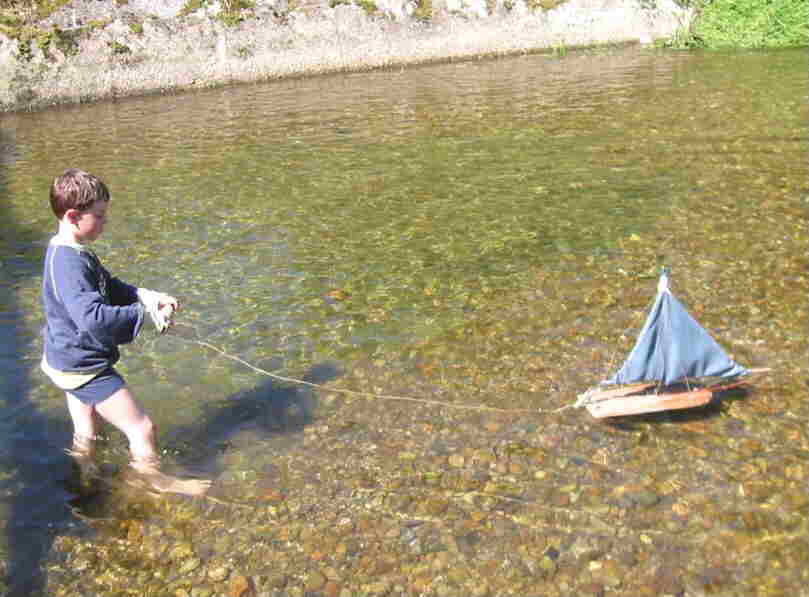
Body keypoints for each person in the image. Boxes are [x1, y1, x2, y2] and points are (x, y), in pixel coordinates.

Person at [41, 168, 210, 496]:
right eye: (99, 216)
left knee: (88, 429)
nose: (105, 222)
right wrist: (146, 318)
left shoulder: (70, 249)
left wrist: (147, 297)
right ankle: (155, 483)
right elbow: (94, 319)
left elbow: (108, 285)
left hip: (64, 357)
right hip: (84, 366)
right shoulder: (69, 264)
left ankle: (85, 474)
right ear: (73, 216)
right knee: (142, 428)